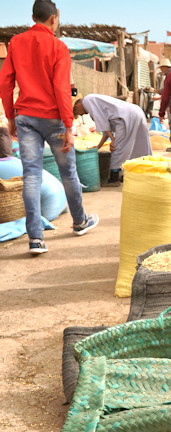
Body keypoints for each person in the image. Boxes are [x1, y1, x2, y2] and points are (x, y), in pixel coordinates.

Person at [0, 0, 98, 254]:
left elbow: (5, 83)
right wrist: (68, 125)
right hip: (54, 119)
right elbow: (61, 89)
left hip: (26, 118)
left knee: (31, 176)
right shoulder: (58, 46)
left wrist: (11, 116)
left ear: (33, 17)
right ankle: (79, 222)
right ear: (54, 19)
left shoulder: (16, 43)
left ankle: (35, 239)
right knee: (68, 174)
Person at [73, 95, 152, 185]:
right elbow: (105, 129)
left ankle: (114, 178)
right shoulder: (93, 101)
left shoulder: (87, 101)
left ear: (77, 106)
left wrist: (113, 140)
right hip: (135, 112)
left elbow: (103, 123)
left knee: (117, 147)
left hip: (126, 117)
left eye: (79, 113)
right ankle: (134, 173)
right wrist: (99, 146)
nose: (82, 114)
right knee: (137, 145)